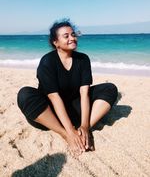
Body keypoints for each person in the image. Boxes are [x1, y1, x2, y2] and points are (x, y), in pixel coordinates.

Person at [17, 19, 118, 157]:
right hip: (49, 115)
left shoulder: (83, 59)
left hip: (75, 110)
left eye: (73, 34)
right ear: (55, 42)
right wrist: (69, 132)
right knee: (24, 94)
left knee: (110, 88)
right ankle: (64, 133)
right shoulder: (47, 62)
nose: (72, 38)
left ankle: (83, 131)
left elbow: (84, 94)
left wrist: (84, 126)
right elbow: (54, 97)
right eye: (66, 36)